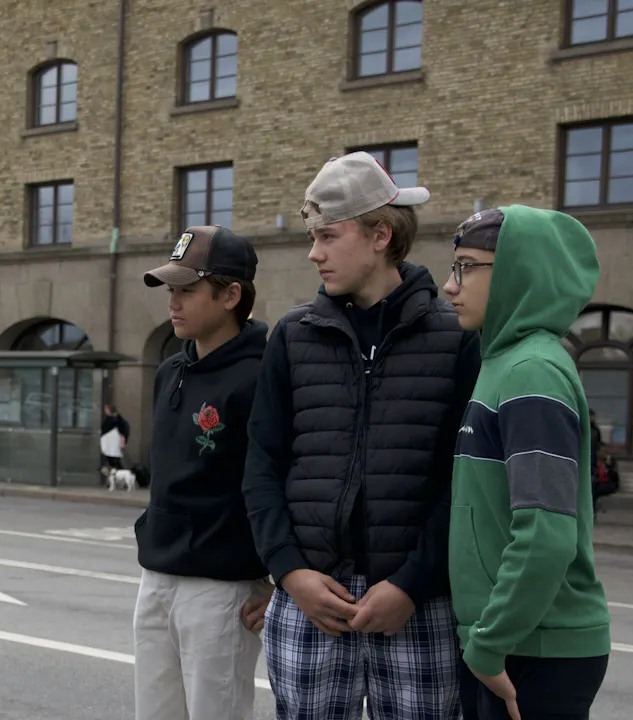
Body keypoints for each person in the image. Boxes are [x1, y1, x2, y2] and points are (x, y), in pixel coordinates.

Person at [242, 152, 480, 719]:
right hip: (310, 600)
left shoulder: (457, 337)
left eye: (327, 235)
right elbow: (262, 464)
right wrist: (289, 571)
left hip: (419, 602)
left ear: (380, 234)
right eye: (311, 236)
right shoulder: (294, 335)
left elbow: (468, 479)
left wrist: (413, 583)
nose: (313, 252)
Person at [442, 206, 611, 720]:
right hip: (515, 640)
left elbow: (545, 532)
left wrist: (490, 643)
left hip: (533, 648)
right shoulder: (501, 364)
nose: (450, 286)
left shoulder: (531, 372)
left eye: (466, 267)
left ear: (519, 272)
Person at [133, 225, 274, 720]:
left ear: (231, 294)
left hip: (222, 586)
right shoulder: (171, 368)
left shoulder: (264, 373)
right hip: (157, 574)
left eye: (188, 289)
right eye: (171, 289)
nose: (174, 301)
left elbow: (279, 477)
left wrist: (275, 578)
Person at [98, 403, 131, 485]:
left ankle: (122, 480)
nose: (105, 410)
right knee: (111, 462)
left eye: (106, 409)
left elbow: (123, 431)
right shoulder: (110, 418)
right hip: (109, 444)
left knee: (114, 462)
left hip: (113, 444)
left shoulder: (117, 419)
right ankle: (113, 480)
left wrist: (123, 442)